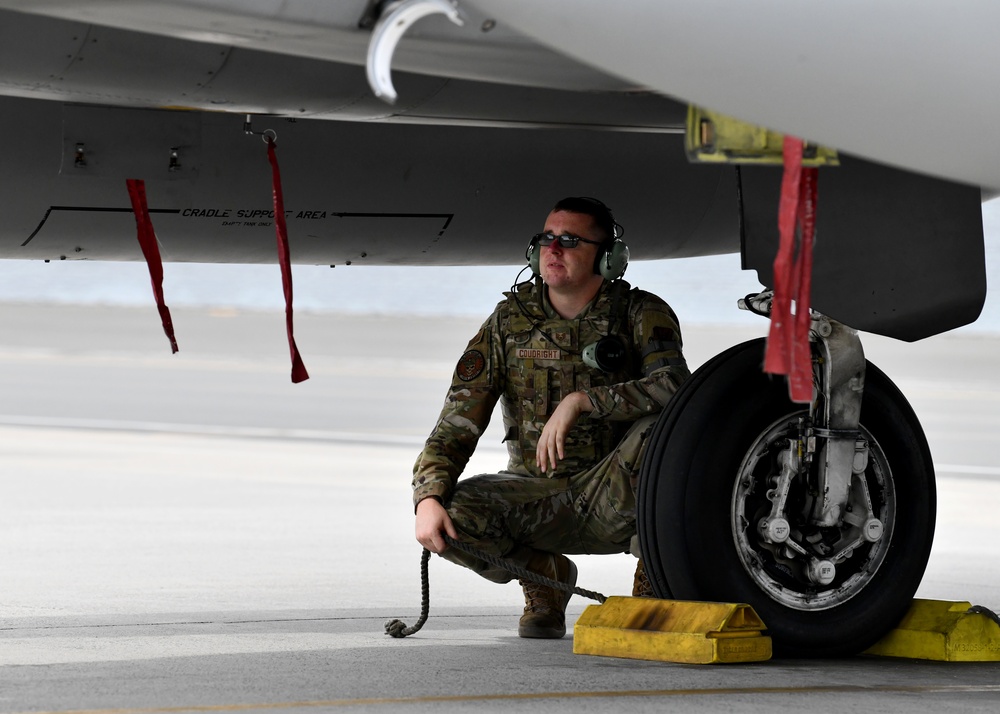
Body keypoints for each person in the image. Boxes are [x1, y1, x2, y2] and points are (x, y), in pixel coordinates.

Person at [412, 196, 690, 639]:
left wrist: (584, 400)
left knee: (663, 429)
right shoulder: (509, 322)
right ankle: (545, 577)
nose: (553, 249)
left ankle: (652, 577)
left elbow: (677, 386)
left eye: (570, 240)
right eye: (546, 238)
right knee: (454, 512)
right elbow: (456, 423)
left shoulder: (640, 312)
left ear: (608, 256)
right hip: (536, 495)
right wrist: (427, 496)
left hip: (614, 494)